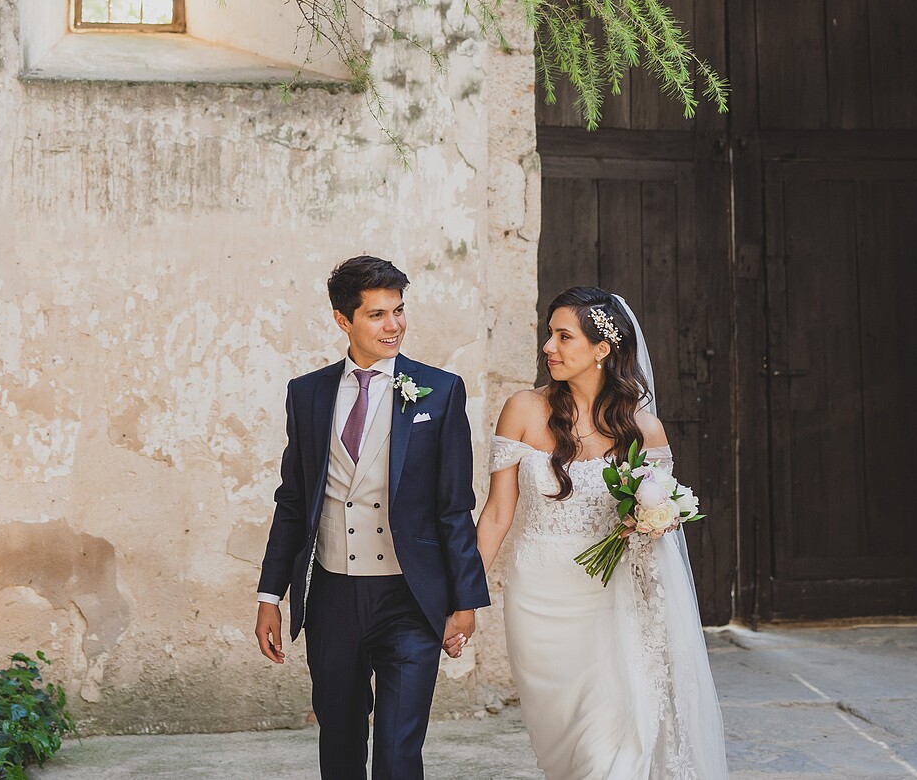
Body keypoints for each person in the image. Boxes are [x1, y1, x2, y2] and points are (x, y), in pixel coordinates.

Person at [475, 286, 729, 780]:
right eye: (549, 335)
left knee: (608, 745)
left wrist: (653, 519)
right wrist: (461, 595)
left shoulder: (643, 429)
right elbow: (496, 515)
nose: (549, 347)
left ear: (602, 349)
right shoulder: (523, 409)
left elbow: (658, 519)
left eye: (563, 336)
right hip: (537, 599)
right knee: (563, 749)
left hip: (613, 601)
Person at [254, 255, 490, 779]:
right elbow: (292, 502)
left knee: (398, 752)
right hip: (333, 599)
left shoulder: (441, 390)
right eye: (378, 315)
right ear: (344, 320)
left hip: (411, 598)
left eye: (399, 311)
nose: (394, 325)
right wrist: (270, 596)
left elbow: (455, 507)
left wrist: (466, 601)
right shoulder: (308, 394)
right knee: (339, 744)